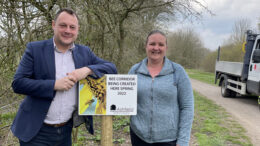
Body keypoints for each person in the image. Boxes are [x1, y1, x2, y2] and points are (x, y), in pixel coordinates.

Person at [11, 8, 117, 146]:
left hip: (65, 131)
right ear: (53, 25)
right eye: (63, 25)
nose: (68, 30)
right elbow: (18, 83)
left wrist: (87, 70)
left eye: (72, 27)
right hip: (36, 132)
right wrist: (54, 85)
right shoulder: (35, 49)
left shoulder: (85, 53)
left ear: (77, 29)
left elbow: (111, 68)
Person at [128, 30, 194, 146]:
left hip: (168, 139)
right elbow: (125, 99)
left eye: (161, 44)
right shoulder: (135, 70)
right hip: (139, 136)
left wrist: (183, 140)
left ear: (166, 48)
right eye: (152, 44)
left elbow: (187, 107)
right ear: (146, 46)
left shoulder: (178, 71)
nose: (156, 48)